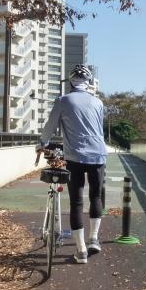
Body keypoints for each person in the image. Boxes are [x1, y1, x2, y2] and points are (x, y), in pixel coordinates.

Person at [38, 64, 106, 264]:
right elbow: (99, 130)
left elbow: (50, 127)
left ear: (70, 82)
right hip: (99, 155)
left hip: (75, 157)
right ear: (89, 83)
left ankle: (81, 250)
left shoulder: (63, 100)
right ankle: (94, 239)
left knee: (77, 202)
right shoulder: (98, 102)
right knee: (95, 196)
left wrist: (42, 144)